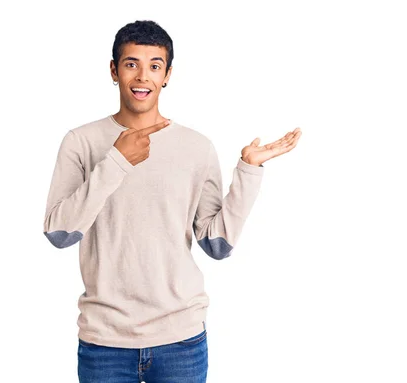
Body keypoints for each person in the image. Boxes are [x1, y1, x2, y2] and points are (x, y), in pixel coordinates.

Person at [42, 20, 302, 383]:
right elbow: (59, 233)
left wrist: (248, 170)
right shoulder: (81, 142)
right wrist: (116, 160)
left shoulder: (196, 147)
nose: (142, 76)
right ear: (114, 71)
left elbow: (217, 243)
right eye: (131, 64)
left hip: (180, 340)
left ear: (167, 75)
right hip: (105, 342)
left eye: (154, 66)